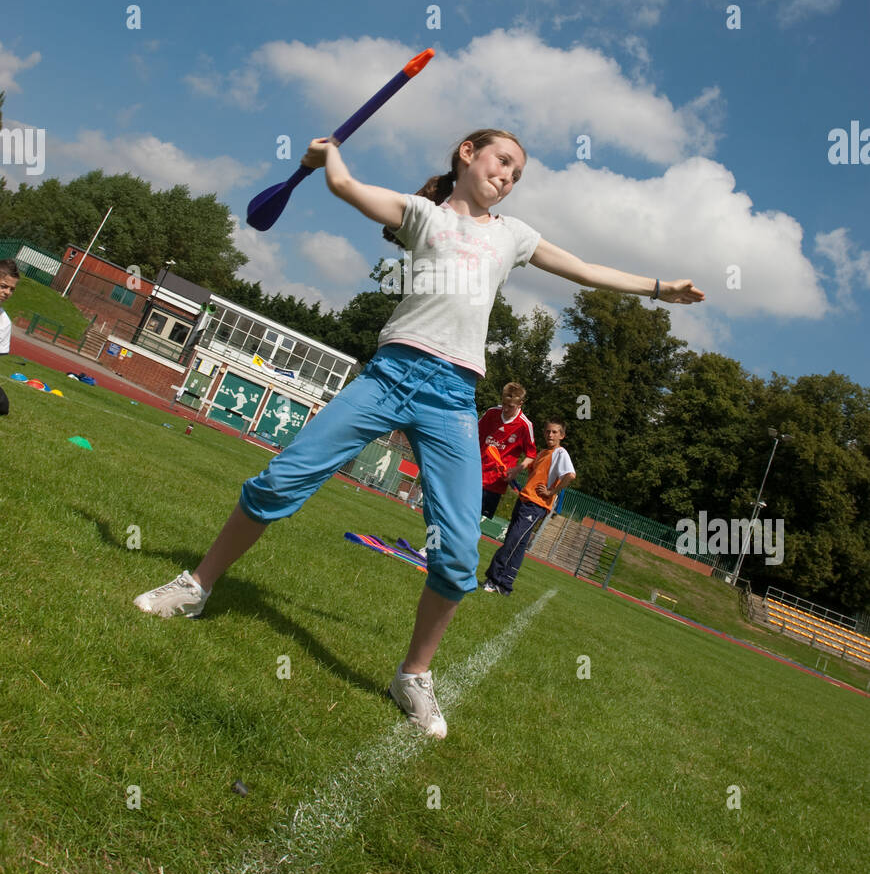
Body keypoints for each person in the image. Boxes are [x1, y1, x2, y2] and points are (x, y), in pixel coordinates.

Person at [133, 127, 704, 737]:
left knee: (459, 556)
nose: (508, 175)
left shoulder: (512, 235)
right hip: (390, 375)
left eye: (518, 172)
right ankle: (197, 585)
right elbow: (348, 188)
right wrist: (328, 157)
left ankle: (414, 676)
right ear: (467, 154)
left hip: (453, 398)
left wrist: (657, 288)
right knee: (280, 481)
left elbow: (585, 271)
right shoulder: (424, 216)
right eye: (502, 160)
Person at [483, 420, 575, 595]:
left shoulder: (560, 453)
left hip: (536, 505)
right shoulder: (543, 453)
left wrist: (552, 491)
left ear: (562, 436)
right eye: (548, 431)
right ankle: (505, 585)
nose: (550, 435)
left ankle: (493, 579)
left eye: (555, 432)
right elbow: (529, 468)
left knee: (512, 541)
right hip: (524, 500)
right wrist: (512, 473)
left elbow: (570, 475)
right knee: (517, 544)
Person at [479, 382, 536, 520]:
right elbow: (473, 436)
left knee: (476, 523)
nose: (505, 409)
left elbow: (531, 456)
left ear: (520, 404)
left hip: (494, 483)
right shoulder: (491, 413)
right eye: (503, 403)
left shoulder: (524, 425)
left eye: (510, 406)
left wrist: (516, 470)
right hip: (474, 474)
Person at [0, 259, 20, 417]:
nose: (7, 292)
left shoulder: (4, 322)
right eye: (3, 286)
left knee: (3, 405)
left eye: (11, 289)